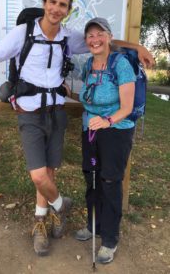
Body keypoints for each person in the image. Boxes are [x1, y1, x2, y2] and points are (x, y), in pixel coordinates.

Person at [0, 0, 154, 257]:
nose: (57, 9)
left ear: (68, 10)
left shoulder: (68, 37)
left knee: (50, 172)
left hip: (55, 113)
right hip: (30, 114)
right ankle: (60, 204)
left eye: (63, 5)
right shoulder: (23, 33)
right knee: (38, 174)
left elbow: (103, 40)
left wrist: (137, 46)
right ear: (45, 2)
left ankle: (42, 222)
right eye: (53, 2)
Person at [67, 17, 138, 264]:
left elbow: (127, 107)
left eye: (99, 34)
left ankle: (110, 239)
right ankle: (93, 225)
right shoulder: (88, 65)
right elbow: (89, 98)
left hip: (116, 131)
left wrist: (106, 121)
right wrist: (70, 94)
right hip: (91, 129)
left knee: (109, 181)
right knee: (91, 177)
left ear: (108, 37)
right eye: (90, 36)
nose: (94, 39)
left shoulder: (122, 65)